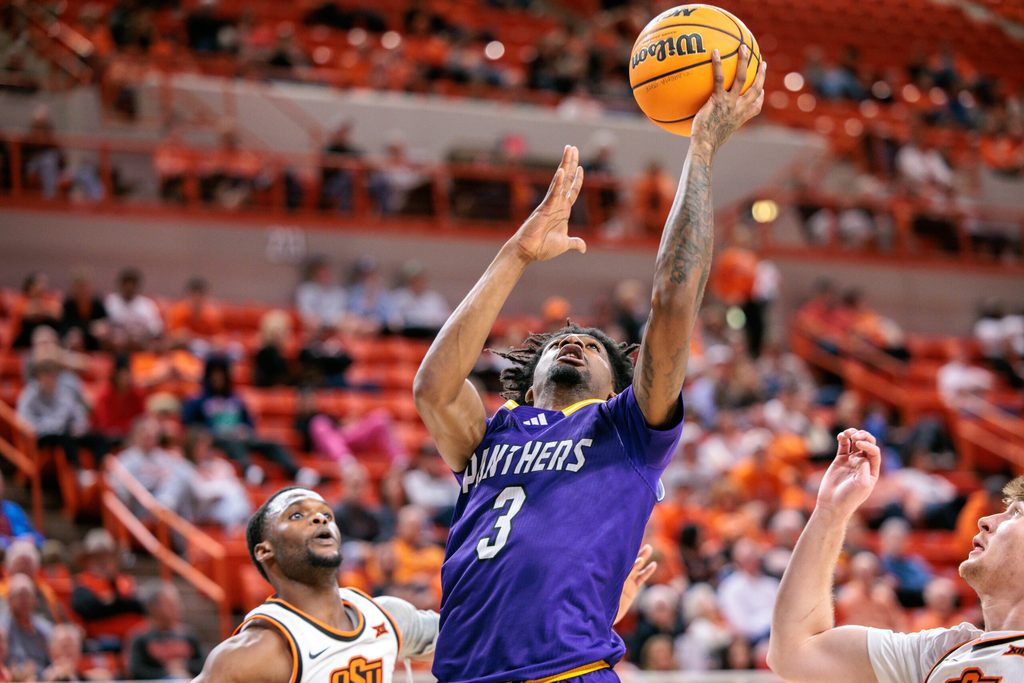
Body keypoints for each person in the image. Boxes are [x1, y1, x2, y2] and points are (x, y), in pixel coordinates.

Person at [413, 48, 765, 683]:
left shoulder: (628, 431)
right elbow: (433, 386)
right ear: (531, 366)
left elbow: (673, 298)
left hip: (564, 672)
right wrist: (516, 254)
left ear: (620, 383)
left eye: (596, 347)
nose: (574, 343)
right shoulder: (490, 431)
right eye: (560, 341)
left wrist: (702, 148)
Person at [192, 487, 656, 683]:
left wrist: (595, 613)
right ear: (265, 552)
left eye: (324, 513)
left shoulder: (386, 616)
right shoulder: (250, 656)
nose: (318, 516)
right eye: (296, 515)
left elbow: (500, 640)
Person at [767, 429, 1024, 683]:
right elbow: (795, 652)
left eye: (1015, 513)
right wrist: (831, 512)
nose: (985, 520)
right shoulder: (940, 652)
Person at [70, 528, 146, 649]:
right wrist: (122, 604)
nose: (102, 562)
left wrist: (112, 603)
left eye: (106, 557)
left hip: (135, 636)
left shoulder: (126, 581)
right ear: (88, 561)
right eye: (97, 558)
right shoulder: (81, 582)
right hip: (102, 641)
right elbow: (90, 610)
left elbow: (141, 606)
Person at [126, 582, 203, 680]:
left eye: (177, 603)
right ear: (153, 607)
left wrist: (183, 666)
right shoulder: (140, 637)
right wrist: (167, 672)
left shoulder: (188, 634)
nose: (178, 608)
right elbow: (135, 671)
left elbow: (204, 666)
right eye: (170, 604)